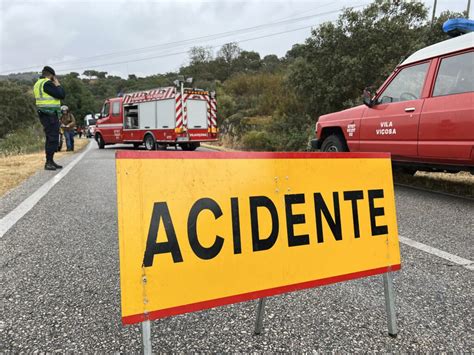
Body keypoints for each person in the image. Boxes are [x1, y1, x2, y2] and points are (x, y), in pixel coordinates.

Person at [33, 66, 66, 170]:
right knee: (53, 138)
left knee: (50, 137)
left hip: (44, 113)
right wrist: (58, 84)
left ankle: (51, 161)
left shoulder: (38, 83)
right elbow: (61, 95)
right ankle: (49, 162)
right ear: (51, 76)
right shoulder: (47, 84)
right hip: (50, 114)